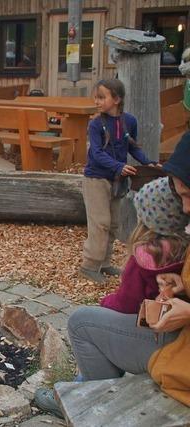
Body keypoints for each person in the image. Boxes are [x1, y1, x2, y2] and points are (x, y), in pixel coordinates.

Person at [34, 133, 190, 417]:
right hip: (176, 334)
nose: (187, 208)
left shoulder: (144, 254)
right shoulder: (181, 244)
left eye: (188, 195)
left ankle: (89, 403)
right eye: (181, 197)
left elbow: (128, 302)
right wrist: (182, 286)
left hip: (180, 349)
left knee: (81, 323)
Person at [80, 78, 158, 284]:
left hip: (117, 180)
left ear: (117, 99)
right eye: (96, 97)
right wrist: (118, 166)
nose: (97, 101)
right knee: (100, 222)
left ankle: (104, 262)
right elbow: (95, 153)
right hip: (96, 179)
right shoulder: (96, 125)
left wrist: (148, 163)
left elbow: (132, 146)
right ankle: (90, 265)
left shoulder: (129, 121)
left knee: (114, 223)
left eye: (101, 97)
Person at [100, 177, 189, 313]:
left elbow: (128, 303)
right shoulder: (186, 248)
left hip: (152, 321)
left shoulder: (145, 252)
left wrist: (106, 301)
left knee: (81, 319)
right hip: (177, 318)